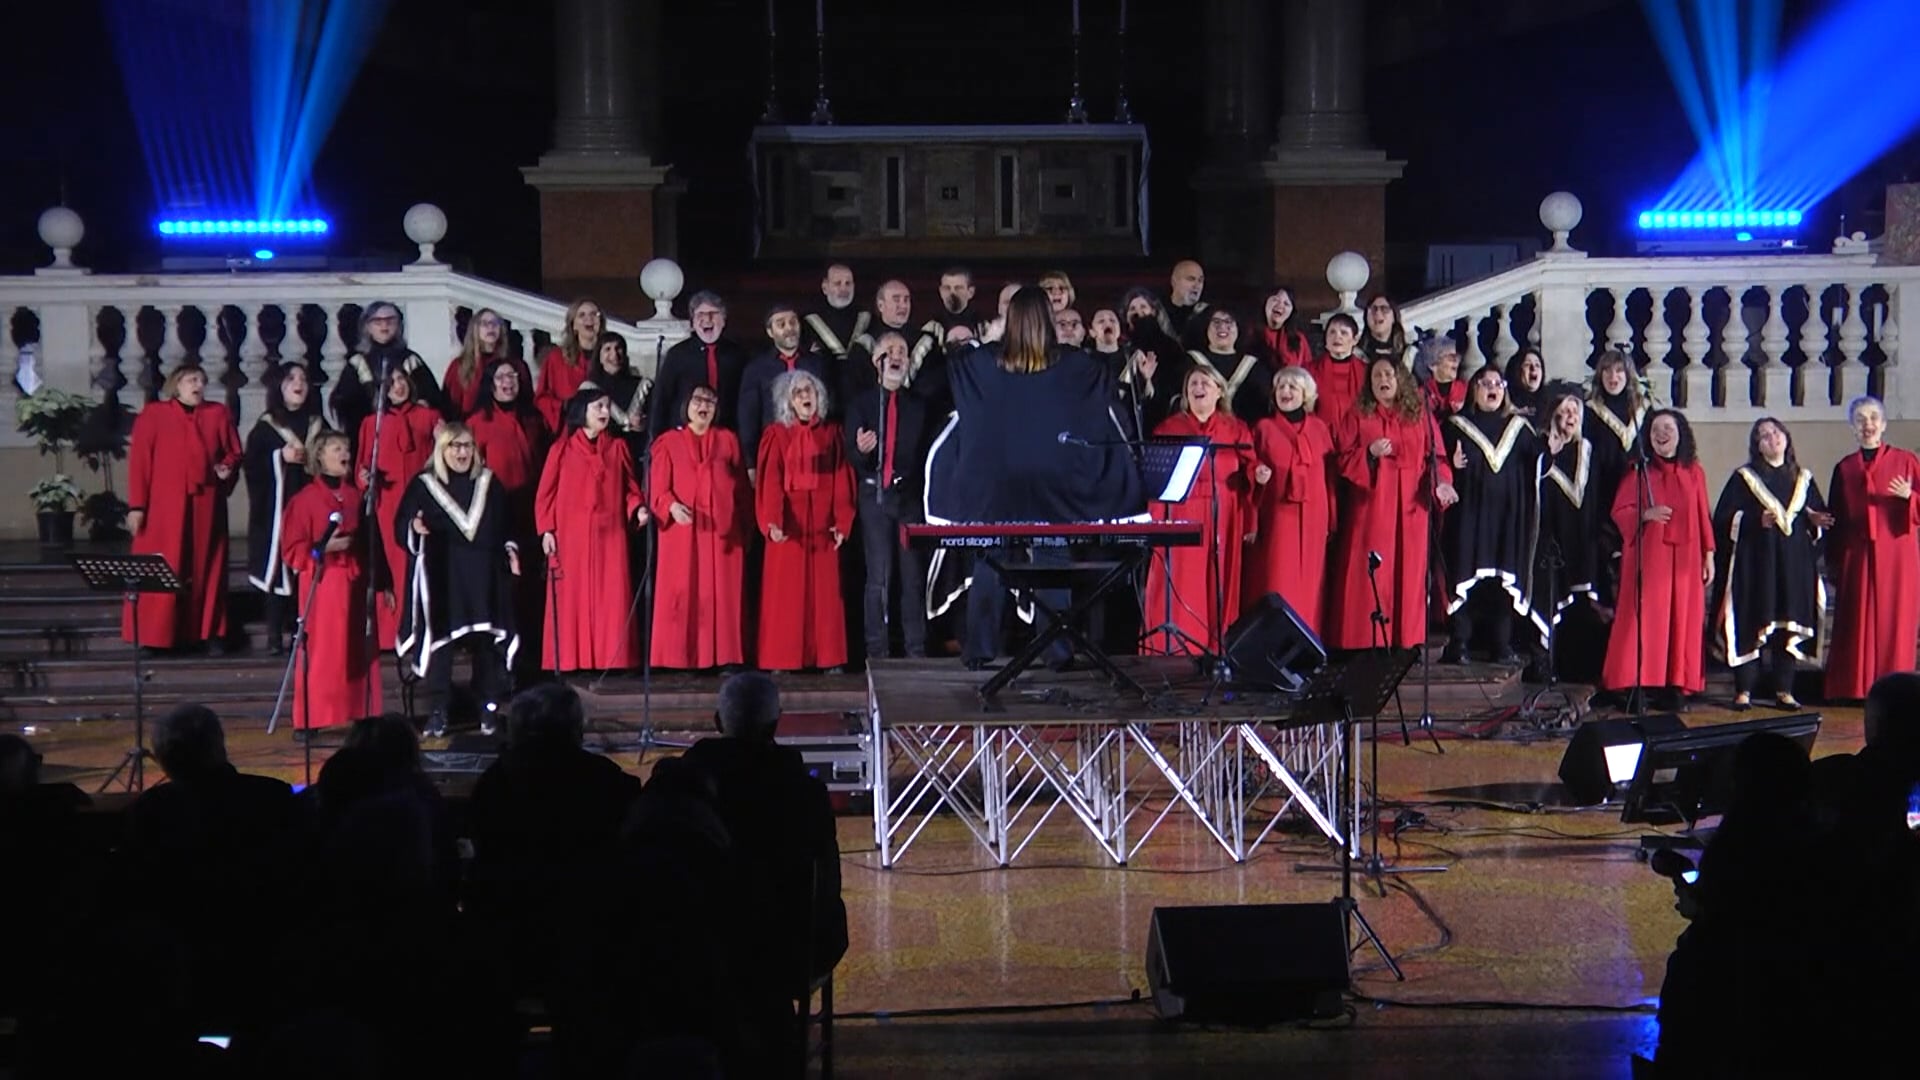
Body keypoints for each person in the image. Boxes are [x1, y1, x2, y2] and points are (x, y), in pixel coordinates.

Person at [927, 287, 1145, 667]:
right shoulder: (1076, 365)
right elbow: (1102, 380)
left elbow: (955, 364)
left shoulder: (981, 363)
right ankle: (1056, 652)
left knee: (989, 561)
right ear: (1048, 320)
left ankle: (979, 651)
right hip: (1054, 485)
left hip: (995, 488)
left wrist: (992, 336)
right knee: (1052, 560)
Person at [678, 672, 849, 1076]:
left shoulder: (684, 785)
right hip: (786, 949)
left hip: (690, 948)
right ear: (777, 724)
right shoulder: (804, 794)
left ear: (718, 723)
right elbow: (826, 881)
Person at [397, 423, 522, 738]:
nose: (462, 452)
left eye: (467, 445)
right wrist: (414, 526)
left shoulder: (489, 483)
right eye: (454, 446)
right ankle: (439, 711)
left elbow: (507, 523)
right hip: (445, 576)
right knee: (442, 646)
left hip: (484, 576)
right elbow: (402, 524)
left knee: (486, 646)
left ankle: (488, 709)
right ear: (442, 450)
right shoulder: (424, 485)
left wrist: (511, 550)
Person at [1326, 359, 1458, 651]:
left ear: (1401, 380)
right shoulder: (1359, 414)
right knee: (1371, 571)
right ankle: (1364, 641)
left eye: (1388, 374)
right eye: (1376, 375)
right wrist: (1369, 454)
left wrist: (1442, 483)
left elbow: (1436, 458)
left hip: (1412, 506)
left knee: (1408, 573)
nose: (1383, 379)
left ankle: (1404, 640)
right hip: (1372, 505)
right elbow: (1342, 459)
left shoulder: (1419, 413)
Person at [124, 365, 243, 653]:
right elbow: (140, 462)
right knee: (164, 562)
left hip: (206, 502)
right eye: (192, 380)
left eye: (202, 380)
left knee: (207, 565)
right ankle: (155, 635)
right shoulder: (154, 415)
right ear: (176, 385)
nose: (198, 385)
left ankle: (209, 631)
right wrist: (137, 506)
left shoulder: (217, 414)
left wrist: (227, 467)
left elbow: (233, 452)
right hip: (163, 506)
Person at [1712, 418, 1830, 710]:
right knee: (1752, 621)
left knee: (1786, 627)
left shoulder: (1803, 478)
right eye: (1764, 436)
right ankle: (1744, 691)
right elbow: (1724, 519)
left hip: (1793, 567)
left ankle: (1784, 690)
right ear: (1757, 446)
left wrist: (1815, 522)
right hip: (1755, 567)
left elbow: (1818, 518)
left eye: (1776, 433)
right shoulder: (1744, 478)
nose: (1772, 438)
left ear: (1786, 439)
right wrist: (1754, 520)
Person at [1601, 409, 1713, 706]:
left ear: (1681, 435)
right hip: (1649, 558)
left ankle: (1675, 685)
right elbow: (1619, 512)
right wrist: (1645, 514)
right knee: (1645, 620)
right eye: (1656, 429)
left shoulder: (1695, 472)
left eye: (1668, 429)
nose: (1662, 434)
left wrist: (1709, 555)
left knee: (1682, 621)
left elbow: (1703, 515)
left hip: (1686, 561)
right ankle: (1637, 683)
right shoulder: (1638, 471)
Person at [535, 387, 650, 672]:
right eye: (598, 406)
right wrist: (547, 530)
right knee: (573, 600)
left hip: (610, 538)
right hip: (571, 538)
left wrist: (638, 508)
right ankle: (574, 661)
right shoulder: (561, 450)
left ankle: (611, 660)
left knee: (611, 598)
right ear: (582, 411)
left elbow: (629, 489)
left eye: (607, 406)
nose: (604, 412)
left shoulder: (618, 448)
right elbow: (545, 494)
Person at [1144, 366, 1256, 655]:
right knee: (1183, 583)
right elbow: (1155, 480)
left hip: (1224, 513)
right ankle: (1177, 649)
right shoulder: (1169, 428)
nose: (1198, 387)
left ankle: (1217, 650)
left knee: (1219, 581)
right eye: (1193, 382)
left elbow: (1250, 470)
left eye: (1206, 382)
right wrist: (1156, 525)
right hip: (1182, 513)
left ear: (1220, 391)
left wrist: (1260, 476)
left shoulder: (1236, 428)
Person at [755, 370, 855, 672]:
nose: (804, 396)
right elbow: (770, 480)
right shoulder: (777, 434)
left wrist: (842, 520)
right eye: (797, 392)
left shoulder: (831, 434)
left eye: (808, 390)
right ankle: (782, 659)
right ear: (788, 401)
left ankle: (828, 657)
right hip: (790, 525)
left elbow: (841, 478)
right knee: (785, 594)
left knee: (825, 595)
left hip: (823, 523)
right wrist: (772, 520)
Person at [281, 430, 381, 731]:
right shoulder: (305, 500)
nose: (344, 453)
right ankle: (314, 718)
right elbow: (291, 549)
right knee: (325, 653)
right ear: (320, 456)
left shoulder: (355, 496)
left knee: (357, 650)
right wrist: (321, 549)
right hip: (323, 585)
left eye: (346, 447)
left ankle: (359, 713)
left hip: (355, 582)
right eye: (336, 448)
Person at [1823, 395, 1920, 700]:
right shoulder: (1845, 467)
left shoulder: (1906, 461)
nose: (1868, 425)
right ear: (1853, 426)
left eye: (1874, 418)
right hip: (1859, 553)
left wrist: (1910, 498)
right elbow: (1836, 516)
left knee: (1896, 621)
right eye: (1861, 419)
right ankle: (1856, 688)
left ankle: (1896, 690)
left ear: (1884, 424)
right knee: (1856, 622)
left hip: (1897, 555)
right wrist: (1834, 560)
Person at [1440, 365, 1538, 665]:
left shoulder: (1519, 428)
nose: (1492, 388)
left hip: (1507, 518)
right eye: (1485, 383)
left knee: (1502, 580)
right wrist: (1451, 467)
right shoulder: (1455, 425)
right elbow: (1438, 464)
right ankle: (1459, 642)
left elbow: (1538, 465)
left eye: (1497, 383)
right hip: (1468, 514)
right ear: (1474, 390)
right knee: (1465, 575)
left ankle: (1502, 643)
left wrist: (1551, 449)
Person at [650, 384, 750, 671]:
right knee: (683, 590)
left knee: (723, 596)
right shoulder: (668, 442)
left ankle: (724, 657)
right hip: (683, 531)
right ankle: (679, 658)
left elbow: (741, 486)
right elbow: (658, 486)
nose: (703, 405)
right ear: (686, 405)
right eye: (697, 399)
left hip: (721, 532)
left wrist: (741, 525)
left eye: (710, 400)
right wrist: (670, 505)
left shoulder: (727, 440)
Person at [846, 334, 930, 659]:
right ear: (876, 361)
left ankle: (916, 648)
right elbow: (852, 453)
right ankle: (877, 649)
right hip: (873, 494)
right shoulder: (863, 403)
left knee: (912, 576)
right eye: (889, 351)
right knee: (878, 576)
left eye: (902, 351)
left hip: (907, 497)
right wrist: (862, 451)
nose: (896, 356)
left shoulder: (918, 405)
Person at [356, 364, 443, 650]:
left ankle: (424, 630)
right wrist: (365, 477)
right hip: (388, 503)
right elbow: (361, 465)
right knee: (392, 565)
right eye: (391, 382)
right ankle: (391, 634)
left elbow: (443, 454)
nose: (398, 386)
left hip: (421, 501)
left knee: (422, 563)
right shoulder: (372, 423)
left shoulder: (429, 416)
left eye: (401, 380)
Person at [1245, 367, 1337, 634]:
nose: (1286, 392)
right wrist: (1257, 473)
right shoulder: (1263, 428)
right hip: (1277, 513)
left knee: (1311, 581)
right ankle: (1273, 641)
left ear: (1306, 395)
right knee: (1277, 577)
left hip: (1314, 514)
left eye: (1293, 388)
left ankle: (1308, 641)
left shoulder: (1320, 428)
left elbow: (1329, 477)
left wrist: (1332, 518)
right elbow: (1251, 468)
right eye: (1281, 386)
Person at [1524, 386, 1604, 681]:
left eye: (1575, 410)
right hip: (1547, 541)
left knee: (1580, 605)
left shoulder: (1587, 451)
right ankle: (1542, 666)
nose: (1571, 416)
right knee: (1546, 601)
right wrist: (1549, 454)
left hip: (1581, 542)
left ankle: (1576, 671)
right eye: (1565, 410)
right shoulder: (1538, 447)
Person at [244, 362, 324, 655]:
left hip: (310, 506)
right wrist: (280, 456)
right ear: (279, 386)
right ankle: (274, 636)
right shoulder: (267, 427)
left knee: (305, 565)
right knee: (278, 568)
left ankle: (302, 632)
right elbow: (252, 466)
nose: (298, 383)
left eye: (303, 378)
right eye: (291, 378)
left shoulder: (318, 423)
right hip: (276, 509)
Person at [328, 301, 442, 444]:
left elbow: (432, 398)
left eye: (390, 320)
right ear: (367, 326)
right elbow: (341, 402)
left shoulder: (410, 360)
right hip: (369, 437)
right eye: (377, 321)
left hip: (407, 437)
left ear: (398, 325)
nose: (384, 325)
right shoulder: (357, 362)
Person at [739, 303, 832, 476]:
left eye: (793, 322)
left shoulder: (817, 364)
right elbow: (748, 417)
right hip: (775, 450)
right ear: (770, 332)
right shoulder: (756, 368)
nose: (789, 328)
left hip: (814, 448)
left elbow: (828, 406)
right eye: (781, 324)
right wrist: (751, 463)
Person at [650, 291, 750, 436]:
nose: (707, 319)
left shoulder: (738, 355)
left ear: (723, 319)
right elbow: (661, 401)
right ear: (693, 322)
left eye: (713, 313)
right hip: (685, 436)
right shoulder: (677, 354)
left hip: (726, 435)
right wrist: (656, 442)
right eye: (700, 314)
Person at [847, 280, 944, 411]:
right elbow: (858, 391)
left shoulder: (926, 342)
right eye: (896, 300)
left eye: (906, 300)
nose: (903, 305)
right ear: (881, 305)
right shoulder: (865, 345)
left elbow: (933, 385)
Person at [442, 308, 531, 419]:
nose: (491, 327)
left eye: (495, 323)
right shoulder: (460, 366)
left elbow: (527, 403)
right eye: (484, 323)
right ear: (474, 329)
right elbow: (448, 407)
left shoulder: (516, 365)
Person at [1186, 309, 1271, 422]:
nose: (1222, 326)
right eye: (1216, 322)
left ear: (1238, 328)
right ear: (1206, 327)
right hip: (1198, 433)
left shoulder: (1255, 367)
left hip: (1243, 434)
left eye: (1229, 322)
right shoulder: (1189, 361)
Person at [534, 298, 604, 431]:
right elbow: (542, 398)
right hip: (569, 432)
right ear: (574, 325)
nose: (589, 319)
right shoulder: (556, 358)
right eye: (582, 315)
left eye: (594, 314)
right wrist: (564, 406)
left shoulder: (610, 355)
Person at [801, 262, 869, 371]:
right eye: (838, 283)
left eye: (848, 283)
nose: (844, 289)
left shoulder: (867, 318)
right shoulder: (807, 322)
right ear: (825, 287)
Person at [1306, 313, 1368, 424]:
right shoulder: (1309, 371)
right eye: (1332, 332)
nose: (1337, 337)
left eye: (1343, 333)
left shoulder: (1367, 372)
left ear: (1355, 339)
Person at [923, 265, 982, 345]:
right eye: (947, 288)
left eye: (958, 288)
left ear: (971, 292)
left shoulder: (984, 328)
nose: (952, 293)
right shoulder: (931, 329)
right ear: (940, 292)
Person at [1258, 286, 1313, 370]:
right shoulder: (1248, 334)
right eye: (1275, 300)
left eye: (1286, 303)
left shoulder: (1299, 339)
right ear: (1265, 302)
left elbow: (1308, 371)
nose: (1280, 306)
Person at [1416, 334, 1467, 418]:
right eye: (1451, 357)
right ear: (1433, 365)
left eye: (1456, 357)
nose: (1456, 361)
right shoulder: (1422, 394)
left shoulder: (1465, 389)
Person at [1165, 259, 1209, 342]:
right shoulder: (1157, 310)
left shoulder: (1207, 313)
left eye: (1200, 280)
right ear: (1174, 281)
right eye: (1191, 279)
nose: (1197, 285)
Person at [1359, 294, 1408, 364]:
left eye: (1384, 309)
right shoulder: (1357, 356)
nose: (1378, 313)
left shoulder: (1408, 355)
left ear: (1394, 316)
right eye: (1373, 309)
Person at [1506, 345, 1546, 418]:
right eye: (1527, 364)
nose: (1533, 368)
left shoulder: (1549, 404)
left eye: (1537, 365)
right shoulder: (1507, 405)